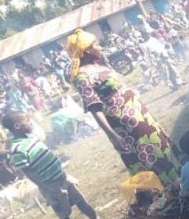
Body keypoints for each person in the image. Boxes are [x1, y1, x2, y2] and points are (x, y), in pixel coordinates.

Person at [66, 29, 181, 184]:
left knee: (159, 144)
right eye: (96, 44)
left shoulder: (100, 66)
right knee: (146, 154)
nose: (100, 47)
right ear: (87, 50)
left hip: (140, 116)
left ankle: (178, 177)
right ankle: (168, 188)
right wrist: (112, 135)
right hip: (125, 126)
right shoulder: (82, 77)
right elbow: (94, 108)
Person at [2, 111, 102, 219]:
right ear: (17, 126)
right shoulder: (17, 148)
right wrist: (47, 187)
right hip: (49, 184)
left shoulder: (30, 137)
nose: (30, 122)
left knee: (80, 200)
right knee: (62, 211)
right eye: (26, 120)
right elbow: (29, 172)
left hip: (61, 176)